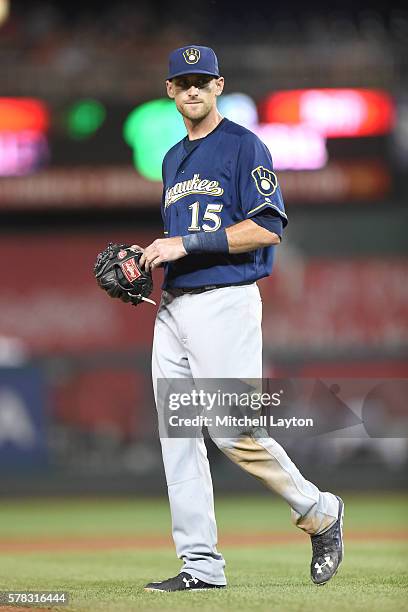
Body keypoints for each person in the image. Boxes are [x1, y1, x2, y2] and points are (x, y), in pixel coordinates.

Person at [139, 45, 344, 592]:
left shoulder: (243, 145)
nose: (193, 90)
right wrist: (146, 264)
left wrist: (185, 243)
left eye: (202, 80)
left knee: (233, 432)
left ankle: (320, 510)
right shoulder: (171, 159)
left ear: (219, 85)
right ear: (171, 92)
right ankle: (201, 566)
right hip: (173, 307)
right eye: (183, 82)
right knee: (176, 437)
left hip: (226, 301)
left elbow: (268, 228)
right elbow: (178, 244)